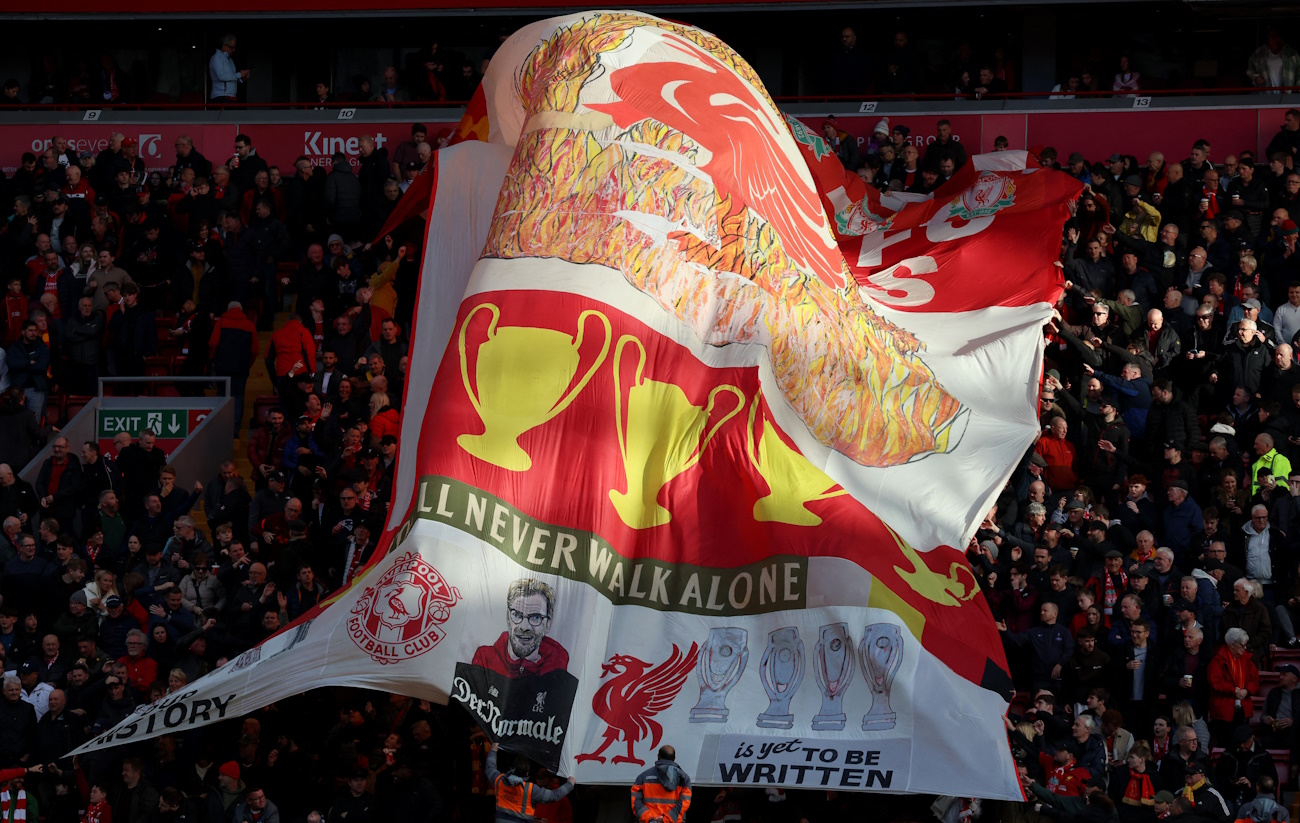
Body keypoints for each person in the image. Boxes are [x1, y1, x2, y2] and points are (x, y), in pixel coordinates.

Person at [471, 579, 569, 678]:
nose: (524, 627)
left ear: (548, 624)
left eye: (536, 617)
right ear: (508, 617)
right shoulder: (485, 659)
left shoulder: (557, 666)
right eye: (517, 615)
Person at [484, 743, 574, 823]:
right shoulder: (531, 790)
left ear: (512, 768)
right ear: (527, 773)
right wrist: (570, 783)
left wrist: (493, 750)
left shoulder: (499, 781)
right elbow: (554, 796)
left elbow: (489, 767)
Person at [630, 745, 690, 823]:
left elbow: (635, 803)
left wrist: (650, 819)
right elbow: (684, 804)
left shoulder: (643, 777)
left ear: (658, 756)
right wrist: (666, 820)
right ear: (674, 758)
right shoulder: (684, 778)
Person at [209, 35, 249, 103]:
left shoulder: (230, 60)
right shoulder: (216, 58)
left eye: (234, 47)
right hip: (220, 97)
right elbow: (221, 76)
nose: (234, 50)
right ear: (224, 46)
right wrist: (239, 74)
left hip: (232, 97)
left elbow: (231, 80)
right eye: (231, 47)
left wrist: (242, 79)